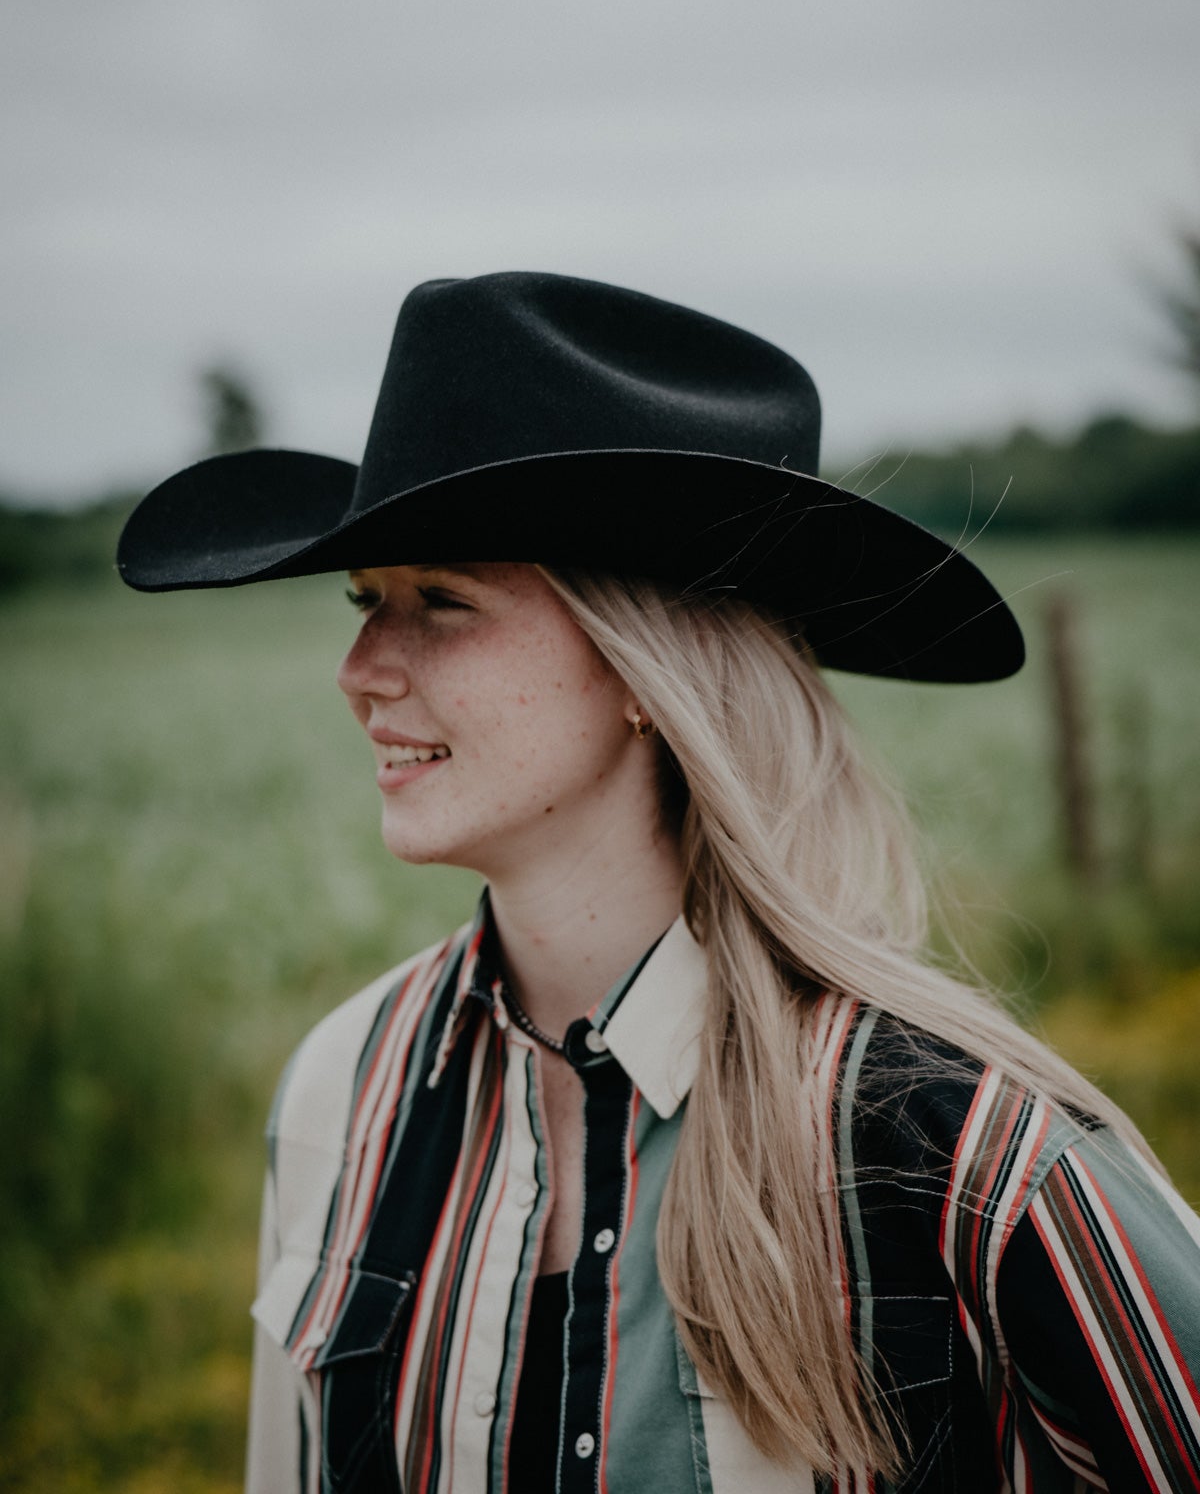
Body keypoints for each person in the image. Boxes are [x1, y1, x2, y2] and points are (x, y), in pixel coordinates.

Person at [118, 271, 1200, 1494]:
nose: (361, 668)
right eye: (367, 602)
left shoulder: (951, 1151)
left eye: (444, 603)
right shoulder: (342, 1089)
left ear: (644, 669)